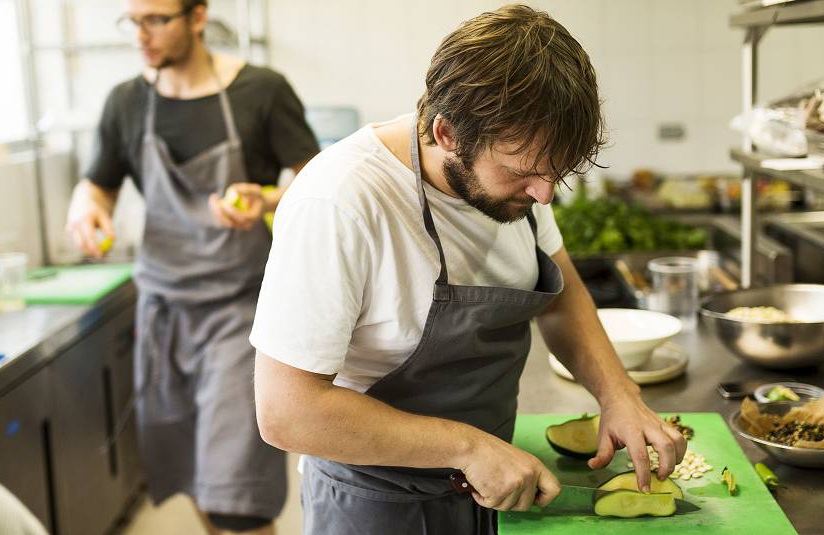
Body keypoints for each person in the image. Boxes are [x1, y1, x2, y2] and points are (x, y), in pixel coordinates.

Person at [250, 5, 687, 534]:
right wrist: (466, 446)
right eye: (523, 173)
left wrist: (619, 395)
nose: (544, 193)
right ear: (448, 134)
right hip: (380, 505)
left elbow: (562, 292)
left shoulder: (525, 175)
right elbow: (286, 411)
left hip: (503, 486)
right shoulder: (339, 202)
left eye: (555, 173)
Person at [64, 1, 320, 533]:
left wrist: (267, 199)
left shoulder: (262, 90)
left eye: (156, 20)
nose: (141, 36)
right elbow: (97, 186)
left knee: (236, 493)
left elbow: (313, 181)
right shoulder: (127, 102)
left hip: (239, 314)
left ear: (198, 17)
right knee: (194, 476)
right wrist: (86, 211)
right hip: (162, 315)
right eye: (132, 22)